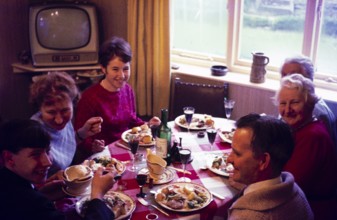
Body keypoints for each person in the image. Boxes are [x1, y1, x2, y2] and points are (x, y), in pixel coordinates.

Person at [0, 119, 116, 220]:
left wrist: (42, 194)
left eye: (48, 151)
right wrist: (98, 195)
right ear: (9, 158)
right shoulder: (33, 203)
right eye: (35, 154)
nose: (48, 162)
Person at [75, 36, 160, 159]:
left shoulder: (128, 90)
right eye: (115, 69)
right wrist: (92, 145)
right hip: (103, 155)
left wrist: (148, 124)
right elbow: (79, 136)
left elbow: (132, 120)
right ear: (103, 69)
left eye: (126, 69)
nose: (121, 75)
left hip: (126, 148)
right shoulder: (89, 97)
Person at [226, 113, 313, 220]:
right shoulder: (297, 192)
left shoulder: (247, 216)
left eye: (237, 153)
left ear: (263, 161)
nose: (228, 159)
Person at [274, 74, 337, 219]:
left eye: (295, 102)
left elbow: (288, 186)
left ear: (310, 103)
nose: (288, 110)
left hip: (310, 211)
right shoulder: (298, 128)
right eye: (283, 103)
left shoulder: (313, 137)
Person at [29, 71, 104, 176]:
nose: (59, 120)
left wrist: (82, 133)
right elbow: (33, 184)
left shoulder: (64, 122)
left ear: (73, 103)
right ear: (39, 108)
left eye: (65, 111)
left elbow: (64, 145)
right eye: (51, 112)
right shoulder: (34, 133)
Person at [280, 55, 337, 151]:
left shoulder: (315, 112)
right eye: (284, 75)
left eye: (294, 76)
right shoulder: (290, 100)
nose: (286, 81)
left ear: (310, 79)